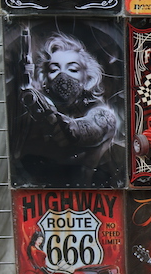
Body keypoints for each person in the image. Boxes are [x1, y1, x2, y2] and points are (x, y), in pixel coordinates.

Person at [18, 31, 118, 184]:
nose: (63, 76)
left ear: (87, 77)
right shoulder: (36, 109)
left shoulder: (100, 111)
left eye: (73, 69)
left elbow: (97, 125)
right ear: (45, 77)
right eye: (54, 70)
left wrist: (68, 127)